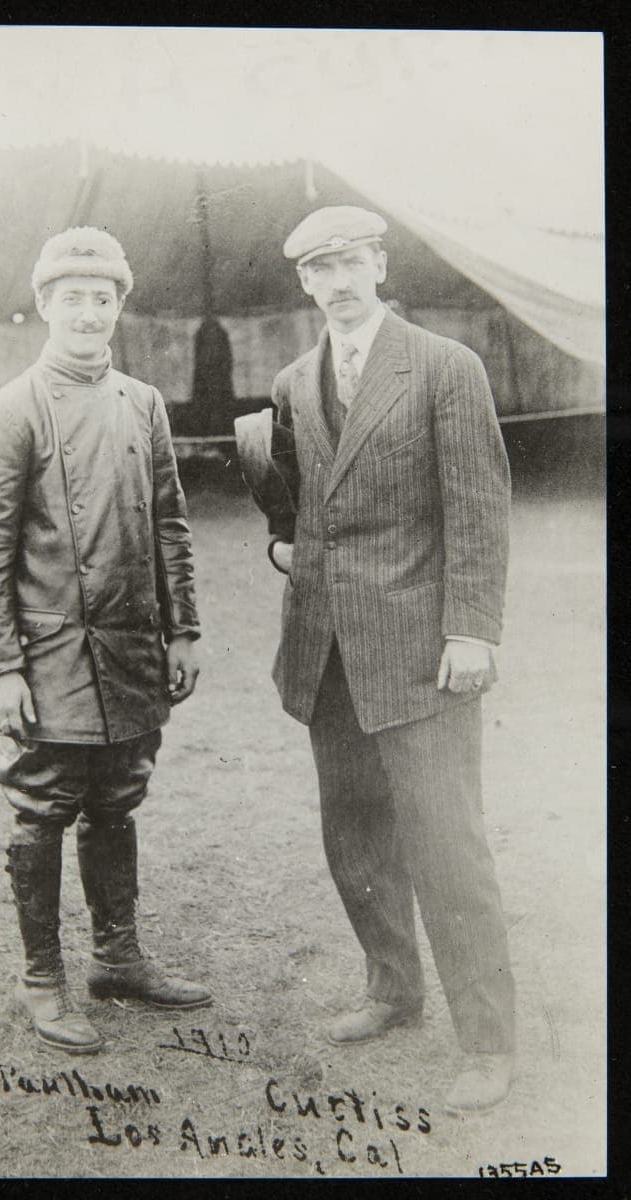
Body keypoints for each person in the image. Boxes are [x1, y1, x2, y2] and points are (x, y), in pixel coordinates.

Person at [238, 206, 515, 1114]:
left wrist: (472, 630)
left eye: (352, 261)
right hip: (327, 655)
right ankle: (393, 989)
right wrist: (287, 549)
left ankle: (487, 1041)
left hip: (423, 657)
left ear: (380, 263)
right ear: (305, 284)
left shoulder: (446, 368)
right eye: (320, 269)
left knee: (447, 846)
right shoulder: (290, 380)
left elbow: (478, 507)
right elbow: (302, 502)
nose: (338, 280)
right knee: (353, 835)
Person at [0, 226, 211, 1056]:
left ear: (119, 307)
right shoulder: (9, 410)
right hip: (50, 658)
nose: (90, 313)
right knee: (43, 807)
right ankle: (43, 980)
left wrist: (185, 628)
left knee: (118, 800)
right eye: (73, 299)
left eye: (104, 298)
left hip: (133, 652)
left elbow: (169, 524)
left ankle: (118, 959)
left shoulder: (144, 404)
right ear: (45, 307)